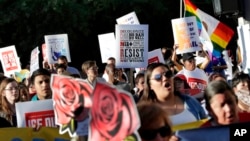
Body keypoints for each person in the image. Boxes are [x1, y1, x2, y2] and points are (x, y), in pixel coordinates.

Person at [141, 63, 207, 125]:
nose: (165, 78)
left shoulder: (190, 101)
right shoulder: (145, 113)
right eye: (158, 77)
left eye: (168, 74)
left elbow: (205, 127)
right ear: (150, 85)